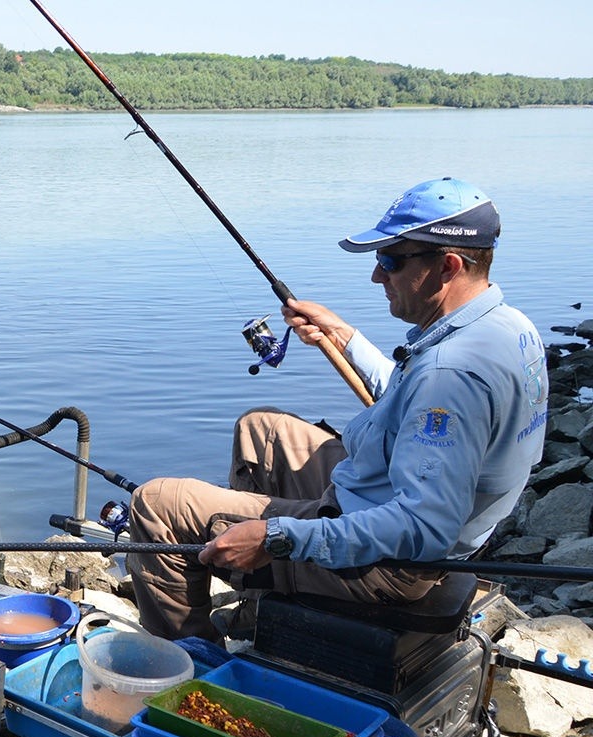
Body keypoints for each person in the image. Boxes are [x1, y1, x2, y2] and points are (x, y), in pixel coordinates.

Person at [127, 177, 549, 642]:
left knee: (157, 503)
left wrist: (277, 538)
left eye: (390, 261)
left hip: (389, 565)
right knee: (262, 431)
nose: (376, 276)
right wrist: (342, 336)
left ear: (448, 265)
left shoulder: (449, 375)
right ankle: (262, 604)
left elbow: (423, 528)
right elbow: (413, 401)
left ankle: (192, 665)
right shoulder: (506, 327)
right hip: (394, 497)